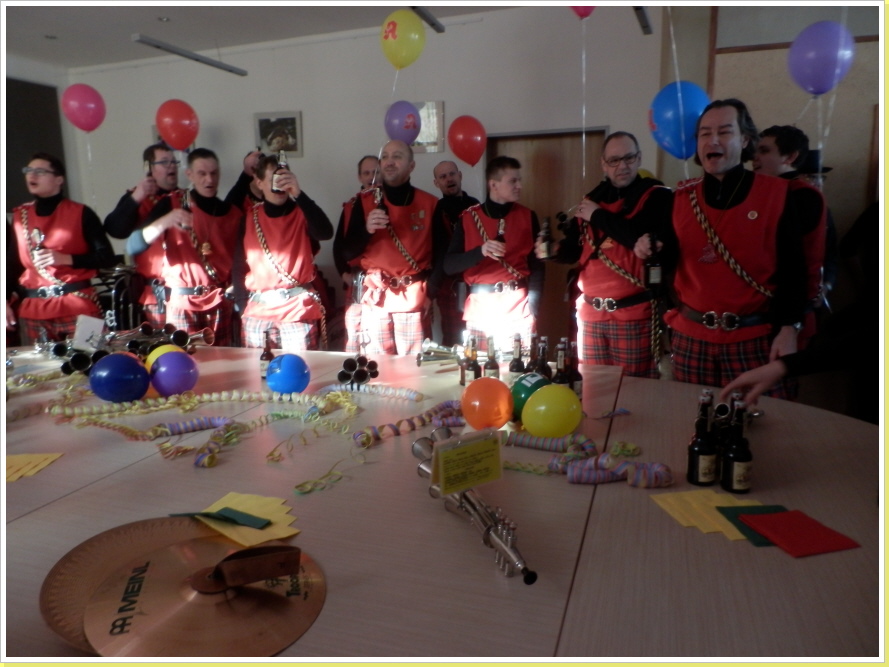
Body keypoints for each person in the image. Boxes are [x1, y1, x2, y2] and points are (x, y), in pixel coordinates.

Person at [642, 99, 806, 398]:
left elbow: (795, 270)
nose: (713, 140)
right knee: (692, 419)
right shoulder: (679, 198)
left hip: (755, 339)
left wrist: (789, 328)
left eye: (724, 131)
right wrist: (648, 247)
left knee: (760, 420)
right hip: (691, 338)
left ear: (744, 140)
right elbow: (664, 263)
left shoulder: (777, 194)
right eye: (705, 133)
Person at [548, 131, 673, 377]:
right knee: (593, 387)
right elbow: (576, 250)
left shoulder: (657, 195)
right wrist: (552, 251)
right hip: (591, 314)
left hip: (633, 314)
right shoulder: (591, 199)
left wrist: (597, 215)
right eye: (614, 160)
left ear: (639, 158)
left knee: (633, 389)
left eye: (629, 158)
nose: (622, 166)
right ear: (604, 164)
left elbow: (635, 235)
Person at [127, 148, 242, 346]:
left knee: (222, 360)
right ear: (189, 174)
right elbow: (133, 245)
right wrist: (165, 221)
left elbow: (244, 257)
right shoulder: (172, 204)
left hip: (219, 301)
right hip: (183, 301)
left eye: (214, 173)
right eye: (202, 173)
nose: (209, 179)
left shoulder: (233, 213)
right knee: (183, 361)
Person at [341, 140, 439, 356]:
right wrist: (367, 230)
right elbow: (347, 252)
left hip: (413, 299)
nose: (389, 161)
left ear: (411, 166)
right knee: (378, 368)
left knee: (415, 369)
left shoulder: (430, 203)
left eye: (397, 156)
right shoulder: (363, 202)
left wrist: (430, 293)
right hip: (376, 300)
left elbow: (442, 255)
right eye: (385, 156)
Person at [8, 153, 116, 345]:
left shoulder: (81, 213)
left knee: (91, 358)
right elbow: (12, 265)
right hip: (35, 310)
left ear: (59, 179)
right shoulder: (19, 216)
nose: (32, 175)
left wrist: (66, 259)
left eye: (40, 171)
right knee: (39, 364)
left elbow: (106, 257)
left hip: (78, 304)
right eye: (29, 170)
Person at [443, 156, 543, 357]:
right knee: (480, 370)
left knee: (519, 369)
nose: (519, 186)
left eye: (519, 180)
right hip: (481, 310)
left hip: (518, 309)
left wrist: (534, 308)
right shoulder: (468, 218)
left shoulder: (528, 216)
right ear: (493, 184)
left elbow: (537, 266)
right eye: (513, 181)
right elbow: (449, 265)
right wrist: (481, 251)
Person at [237, 154, 333, 350]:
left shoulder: (303, 212)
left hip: (296, 310)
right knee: (258, 369)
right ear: (259, 183)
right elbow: (238, 264)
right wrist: (241, 305)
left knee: (299, 368)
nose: (279, 184)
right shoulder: (249, 217)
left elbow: (325, 232)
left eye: (283, 177)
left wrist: (298, 194)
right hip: (258, 311)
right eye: (273, 178)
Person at [752, 126, 829, 349]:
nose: (755, 157)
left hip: (789, 309)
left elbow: (792, 259)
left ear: (790, 157)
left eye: (764, 151)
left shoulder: (802, 195)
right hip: (759, 309)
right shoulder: (762, 192)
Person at [103, 142, 181, 329]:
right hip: (153, 291)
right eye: (164, 162)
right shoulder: (136, 196)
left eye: (174, 162)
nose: (171, 166)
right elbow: (115, 229)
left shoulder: (184, 197)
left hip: (182, 289)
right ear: (149, 168)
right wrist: (137, 197)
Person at [332, 155, 379, 353]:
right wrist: (343, 273)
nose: (371, 177)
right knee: (354, 338)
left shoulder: (390, 204)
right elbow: (338, 246)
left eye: (375, 172)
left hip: (381, 282)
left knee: (375, 342)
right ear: (360, 177)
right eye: (367, 173)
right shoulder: (351, 207)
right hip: (357, 280)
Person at [431, 160, 479, 347]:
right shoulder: (435, 211)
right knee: (452, 339)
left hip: (475, 282)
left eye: (452, 174)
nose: (449, 179)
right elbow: (435, 251)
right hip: (448, 284)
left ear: (460, 175)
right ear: (436, 183)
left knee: (477, 337)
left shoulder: (475, 206)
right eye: (443, 176)